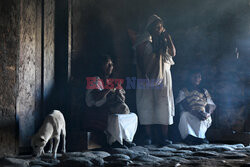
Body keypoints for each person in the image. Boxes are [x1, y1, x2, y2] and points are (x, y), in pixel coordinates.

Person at [134, 14, 176, 145]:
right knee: (147, 104)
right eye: (157, 27)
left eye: (161, 27)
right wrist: (144, 73)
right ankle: (148, 137)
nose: (159, 29)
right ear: (150, 28)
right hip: (147, 76)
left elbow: (173, 53)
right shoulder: (144, 40)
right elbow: (139, 58)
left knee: (164, 104)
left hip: (163, 76)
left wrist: (168, 38)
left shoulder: (164, 40)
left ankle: (164, 137)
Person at [85, 55, 138, 148]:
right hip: (97, 111)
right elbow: (96, 97)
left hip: (109, 110)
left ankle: (124, 139)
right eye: (107, 64)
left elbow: (122, 100)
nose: (110, 67)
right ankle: (115, 142)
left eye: (112, 64)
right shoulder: (94, 79)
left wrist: (119, 93)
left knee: (133, 116)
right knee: (116, 118)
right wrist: (110, 88)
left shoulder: (110, 80)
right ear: (100, 65)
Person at [176, 69, 216, 144]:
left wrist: (208, 113)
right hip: (190, 112)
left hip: (203, 112)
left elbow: (211, 104)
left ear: (200, 79)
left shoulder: (204, 91)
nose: (196, 79)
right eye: (194, 77)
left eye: (198, 77)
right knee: (185, 115)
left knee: (204, 118)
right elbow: (183, 104)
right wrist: (194, 112)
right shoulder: (184, 90)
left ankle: (201, 137)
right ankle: (189, 137)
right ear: (190, 78)